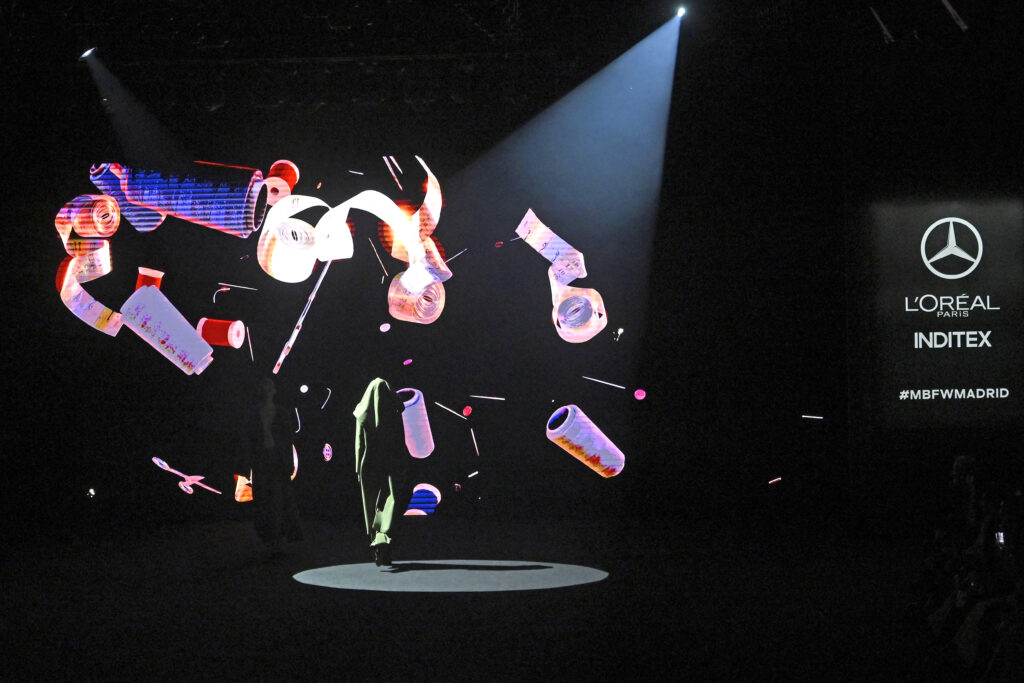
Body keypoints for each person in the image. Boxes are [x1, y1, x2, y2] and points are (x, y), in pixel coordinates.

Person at [353, 377, 407, 567]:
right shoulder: (393, 413)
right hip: (391, 463)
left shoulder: (362, 414)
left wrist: (358, 467)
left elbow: (359, 443)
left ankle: (377, 543)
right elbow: (400, 440)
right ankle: (384, 542)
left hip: (370, 464)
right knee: (389, 503)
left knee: (371, 505)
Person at [252, 376, 302, 553]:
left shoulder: (281, 413)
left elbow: (287, 440)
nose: (266, 390)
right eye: (264, 387)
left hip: (277, 460)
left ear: (273, 391)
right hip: (262, 460)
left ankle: (277, 539)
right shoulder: (255, 413)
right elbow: (249, 439)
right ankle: (272, 539)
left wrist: (289, 462)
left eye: (269, 387)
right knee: (264, 500)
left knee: (278, 500)